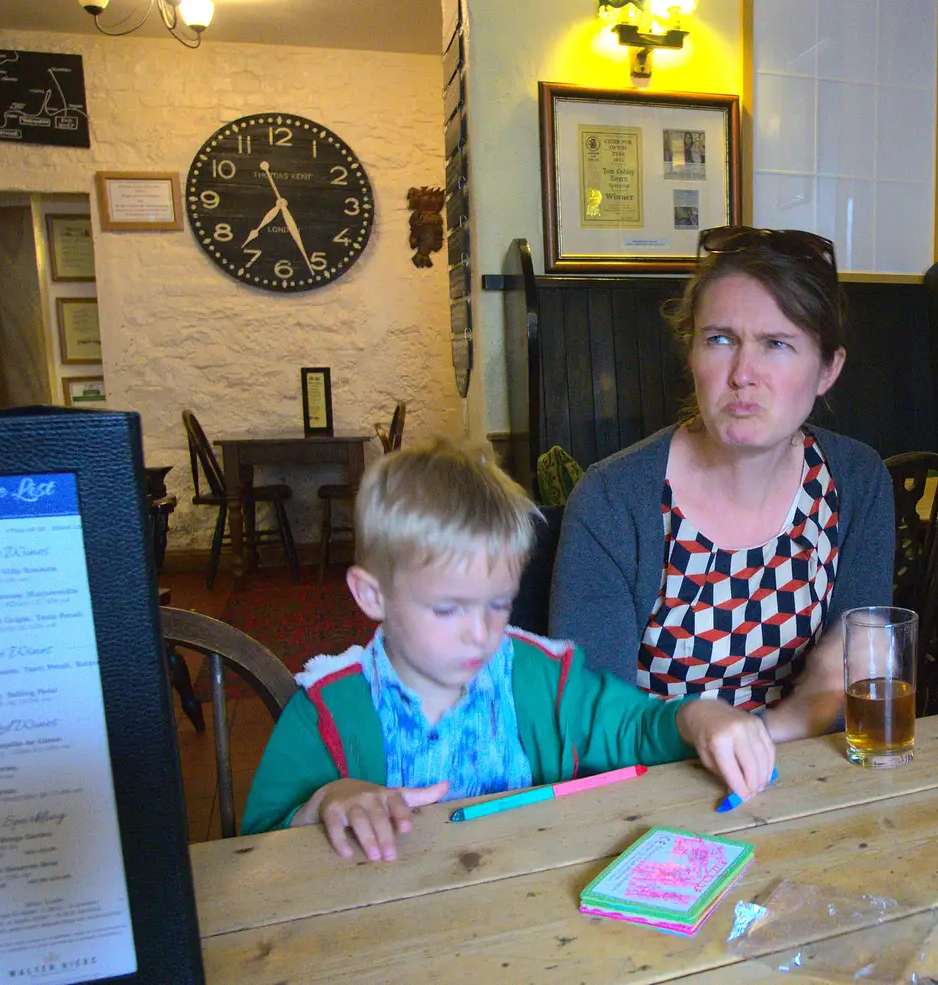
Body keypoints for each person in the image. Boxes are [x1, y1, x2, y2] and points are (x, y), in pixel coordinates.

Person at [242, 438, 774, 859]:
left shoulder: (540, 676)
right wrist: (327, 802)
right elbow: (253, 850)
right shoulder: (326, 712)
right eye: (448, 608)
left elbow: (633, 728)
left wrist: (697, 717)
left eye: (497, 604)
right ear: (372, 594)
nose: (480, 632)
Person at [549, 225, 895, 743]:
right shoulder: (613, 500)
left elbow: (856, 688)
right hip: (653, 790)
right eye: (719, 339)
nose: (742, 374)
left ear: (828, 369)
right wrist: (783, 720)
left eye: (776, 344)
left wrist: (786, 724)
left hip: (812, 783)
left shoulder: (857, 480)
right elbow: (588, 723)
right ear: (691, 353)